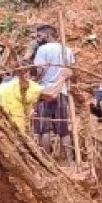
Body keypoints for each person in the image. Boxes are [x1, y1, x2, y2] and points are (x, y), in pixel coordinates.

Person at [31, 24, 75, 160]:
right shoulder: (67, 50)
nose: (37, 39)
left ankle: (46, 160)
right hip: (62, 91)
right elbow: (71, 71)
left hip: (45, 92)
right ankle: (69, 161)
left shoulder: (43, 49)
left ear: (48, 35)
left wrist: (34, 79)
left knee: (44, 129)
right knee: (63, 129)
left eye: (39, 35)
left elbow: (39, 70)